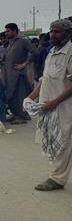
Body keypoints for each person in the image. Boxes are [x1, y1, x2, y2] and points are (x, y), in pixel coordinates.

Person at [26, 19, 72, 191]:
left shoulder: (70, 52)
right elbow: (45, 80)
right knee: (54, 140)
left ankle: (57, 179)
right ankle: (58, 175)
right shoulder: (51, 52)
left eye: (57, 31)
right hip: (49, 106)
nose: (53, 34)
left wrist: (55, 102)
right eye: (52, 31)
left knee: (63, 141)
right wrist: (30, 98)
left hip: (64, 106)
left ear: (68, 34)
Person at [2, 23, 37, 124]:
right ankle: (15, 114)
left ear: (14, 31)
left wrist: (25, 64)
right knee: (11, 96)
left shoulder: (23, 41)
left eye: (8, 31)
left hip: (18, 74)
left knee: (19, 96)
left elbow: (35, 52)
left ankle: (22, 116)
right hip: (9, 75)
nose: (6, 33)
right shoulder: (10, 43)